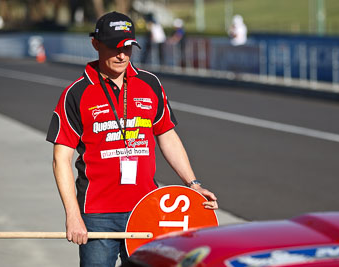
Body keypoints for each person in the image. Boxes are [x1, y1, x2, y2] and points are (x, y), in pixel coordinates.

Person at [46, 11, 218, 267]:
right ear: (95, 44)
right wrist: (72, 215)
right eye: (114, 47)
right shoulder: (77, 93)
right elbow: (61, 158)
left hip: (146, 209)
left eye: (128, 47)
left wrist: (193, 184)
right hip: (97, 214)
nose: (122, 55)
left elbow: (167, 135)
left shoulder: (150, 84)